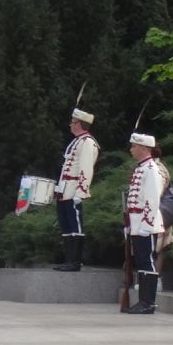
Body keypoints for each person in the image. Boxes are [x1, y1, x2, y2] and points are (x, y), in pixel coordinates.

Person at [123, 128, 167, 314]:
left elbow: (152, 199)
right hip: (137, 221)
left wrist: (146, 225)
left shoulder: (150, 169)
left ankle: (148, 302)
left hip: (145, 223)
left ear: (143, 148)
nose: (131, 149)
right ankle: (143, 301)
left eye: (134, 146)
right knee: (141, 261)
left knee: (146, 261)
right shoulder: (141, 168)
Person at [53, 105, 99, 272]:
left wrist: (81, 191)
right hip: (65, 189)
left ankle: (75, 262)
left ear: (79, 124)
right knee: (66, 225)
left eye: (72, 122)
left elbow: (86, 169)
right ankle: (68, 260)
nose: (70, 125)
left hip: (74, 189)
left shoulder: (87, 142)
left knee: (75, 225)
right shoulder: (77, 141)